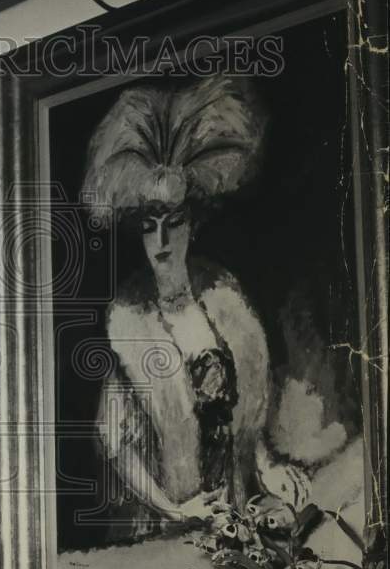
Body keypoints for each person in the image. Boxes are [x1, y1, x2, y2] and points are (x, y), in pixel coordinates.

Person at [82, 76, 302, 541]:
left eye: (173, 223)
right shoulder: (130, 326)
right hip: (170, 525)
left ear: (193, 225)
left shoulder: (224, 303)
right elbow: (117, 446)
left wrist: (270, 467)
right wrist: (177, 510)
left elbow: (238, 416)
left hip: (236, 516)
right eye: (149, 227)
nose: (161, 243)